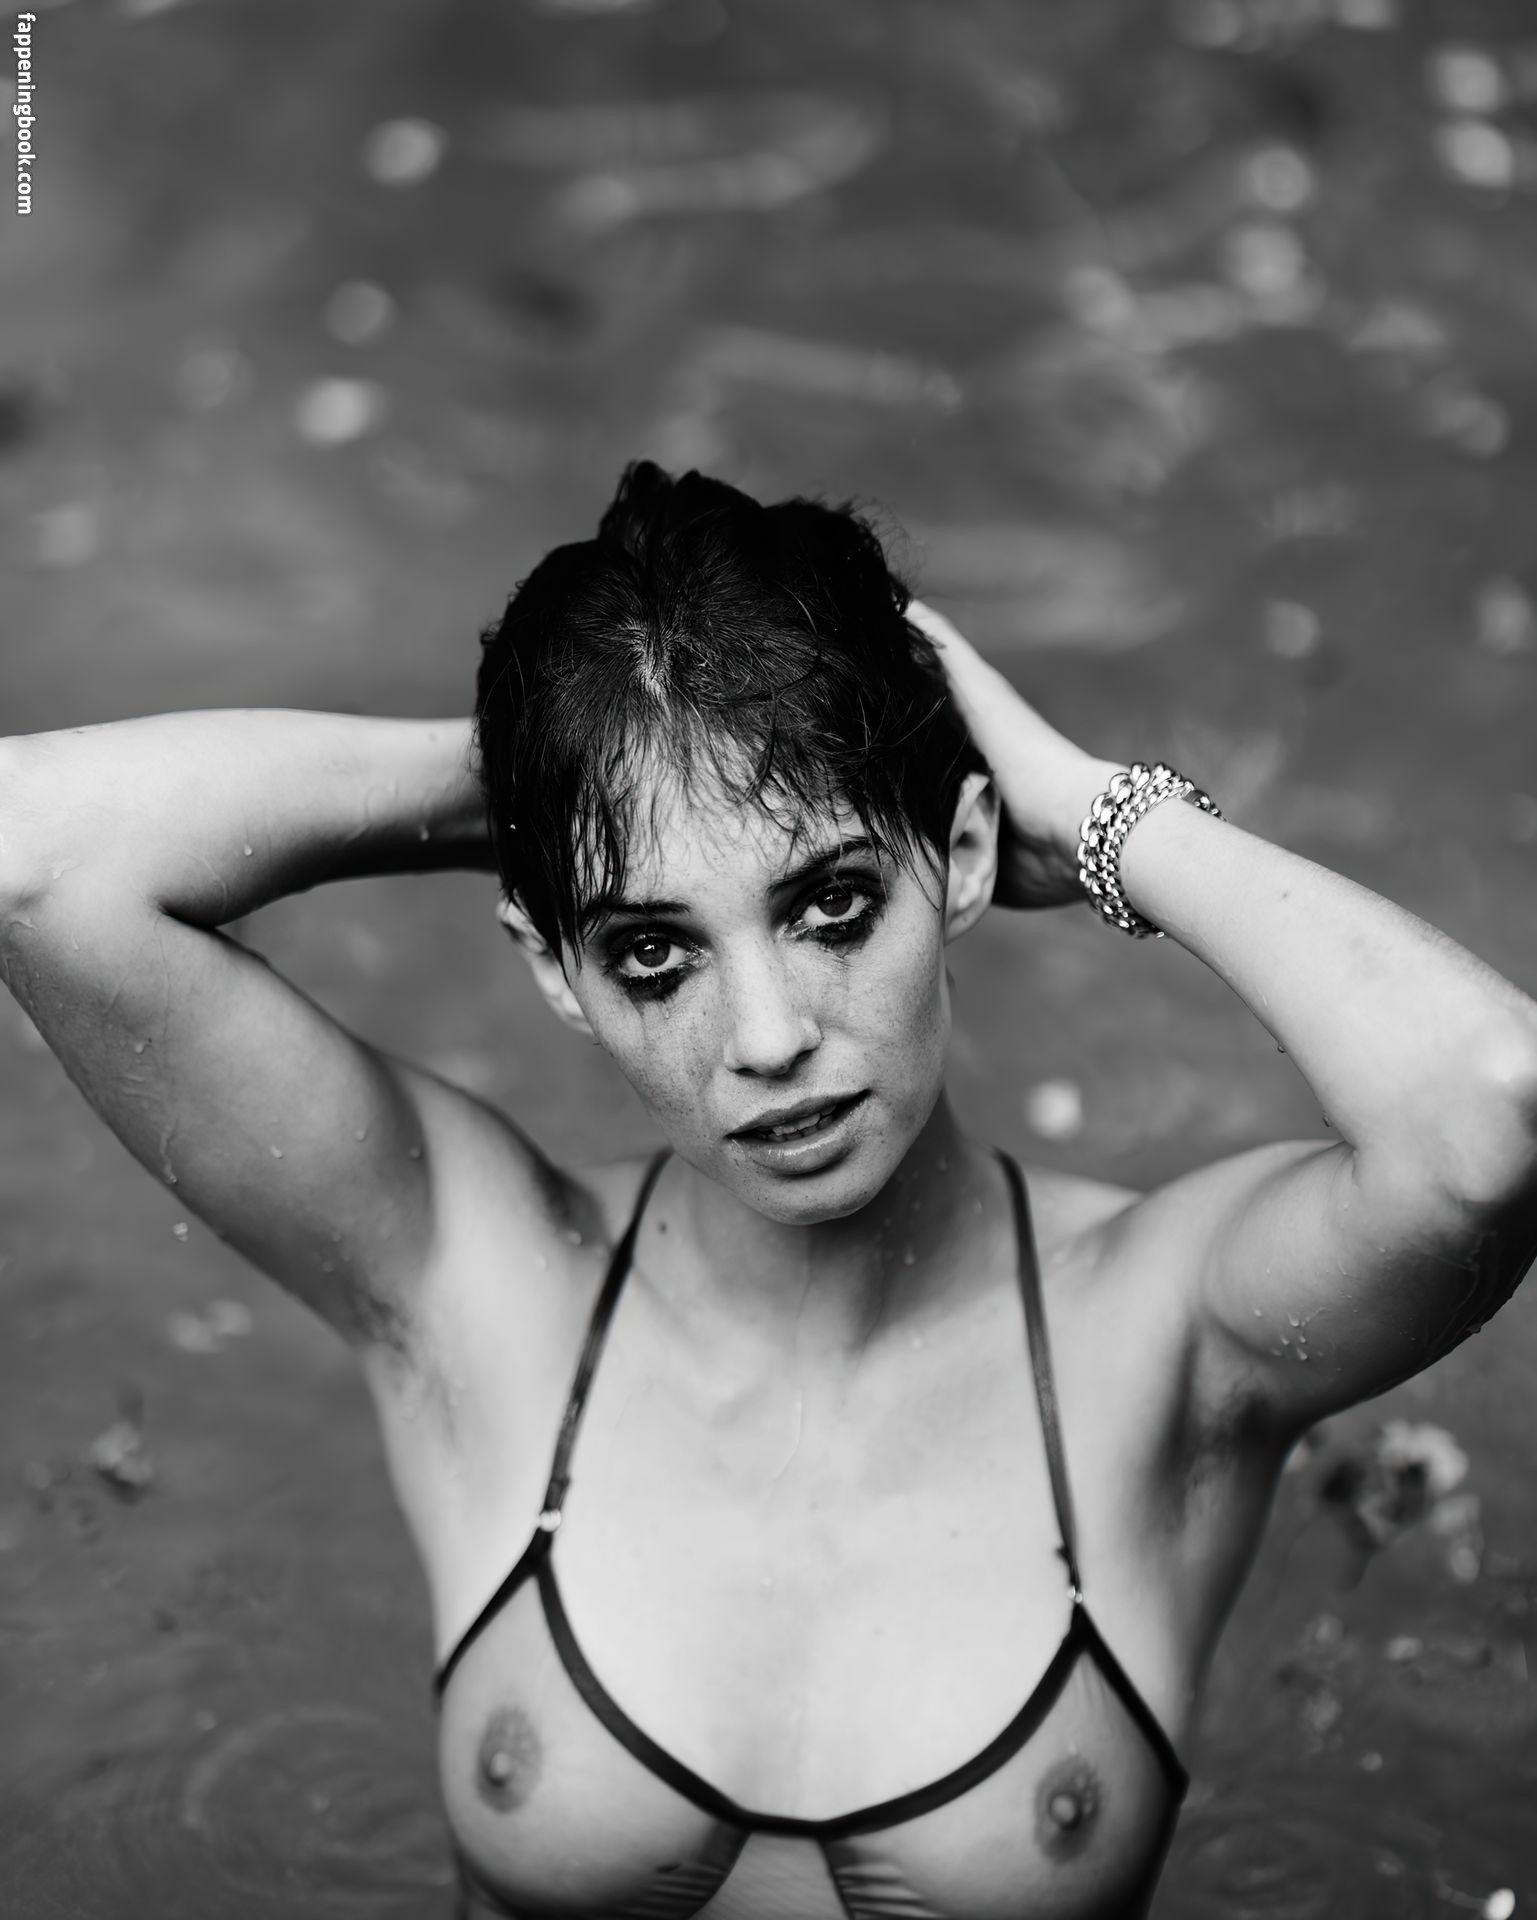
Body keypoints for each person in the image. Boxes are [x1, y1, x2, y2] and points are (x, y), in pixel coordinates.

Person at [1, 460, 1534, 1920]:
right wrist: (561, 770)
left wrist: (1089, 811)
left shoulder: (1160, 1338)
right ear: (553, 969)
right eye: (649, 949)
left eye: (832, 905)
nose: (767, 1038)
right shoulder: (474, 1281)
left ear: (963, 857)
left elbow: (1487, 1114)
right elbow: (31, 859)